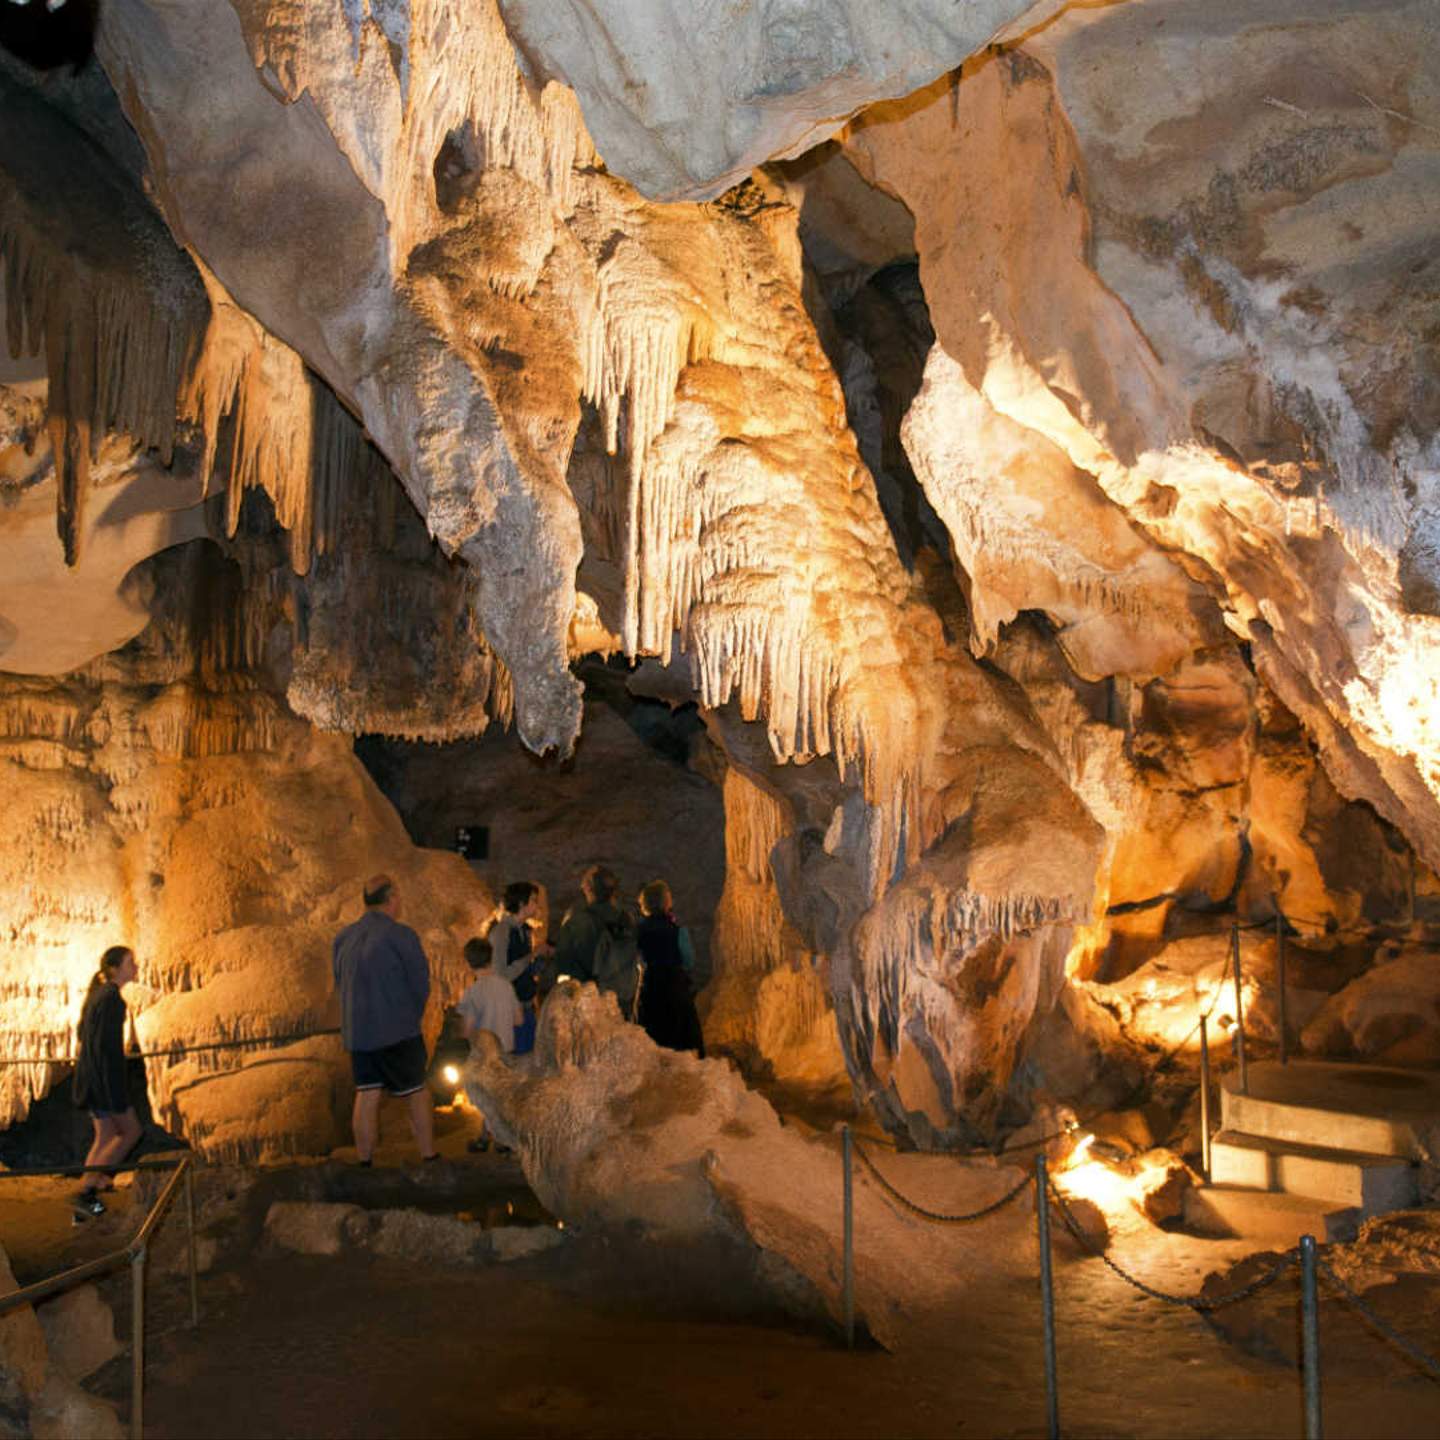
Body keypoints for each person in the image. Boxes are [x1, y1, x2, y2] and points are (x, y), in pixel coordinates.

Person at [331, 874, 438, 1166]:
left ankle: (365, 1162)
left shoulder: (344, 938)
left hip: (359, 1033)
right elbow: (420, 983)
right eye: (399, 896)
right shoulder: (400, 935)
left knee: (366, 1094)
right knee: (416, 1091)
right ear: (391, 899)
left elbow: (339, 983)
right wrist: (410, 1018)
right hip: (397, 1029)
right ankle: (429, 1157)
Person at [72, 945, 143, 1219]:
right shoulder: (113, 1000)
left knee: (105, 1137)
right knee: (131, 1132)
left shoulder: (97, 996)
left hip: (90, 1076)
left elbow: (82, 1034)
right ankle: (86, 1193)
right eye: (130, 963)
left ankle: (85, 1206)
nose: (135, 967)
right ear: (115, 969)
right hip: (104, 1079)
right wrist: (114, 1090)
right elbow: (106, 1048)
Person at [456, 937, 522, 1154]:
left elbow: (467, 1030)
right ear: (490, 958)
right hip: (507, 1050)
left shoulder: (473, 992)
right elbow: (518, 1020)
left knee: (487, 1098)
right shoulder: (506, 986)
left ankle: (500, 1140)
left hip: (486, 1052)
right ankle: (487, 1137)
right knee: (500, 1097)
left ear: (468, 963)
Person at [552, 865, 639, 1010]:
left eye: (583, 882)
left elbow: (564, 964)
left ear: (588, 888)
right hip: (621, 999)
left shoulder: (577, 921)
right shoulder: (627, 919)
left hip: (589, 1002)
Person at [634, 881, 704, 1055]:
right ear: (666, 902)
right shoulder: (678, 931)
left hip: (649, 988)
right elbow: (689, 961)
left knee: (651, 1040)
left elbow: (634, 959)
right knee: (681, 1042)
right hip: (675, 988)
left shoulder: (638, 931)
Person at [488, 881, 550, 1054]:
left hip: (526, 1006)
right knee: (517, 1062)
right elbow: (501, 974)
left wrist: (538, 960)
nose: (537, 905)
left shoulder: (524, 931)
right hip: (510, 1012)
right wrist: (530, 956)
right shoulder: (501, 932)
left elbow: (525, 968)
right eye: (534, 900)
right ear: (522, 903)